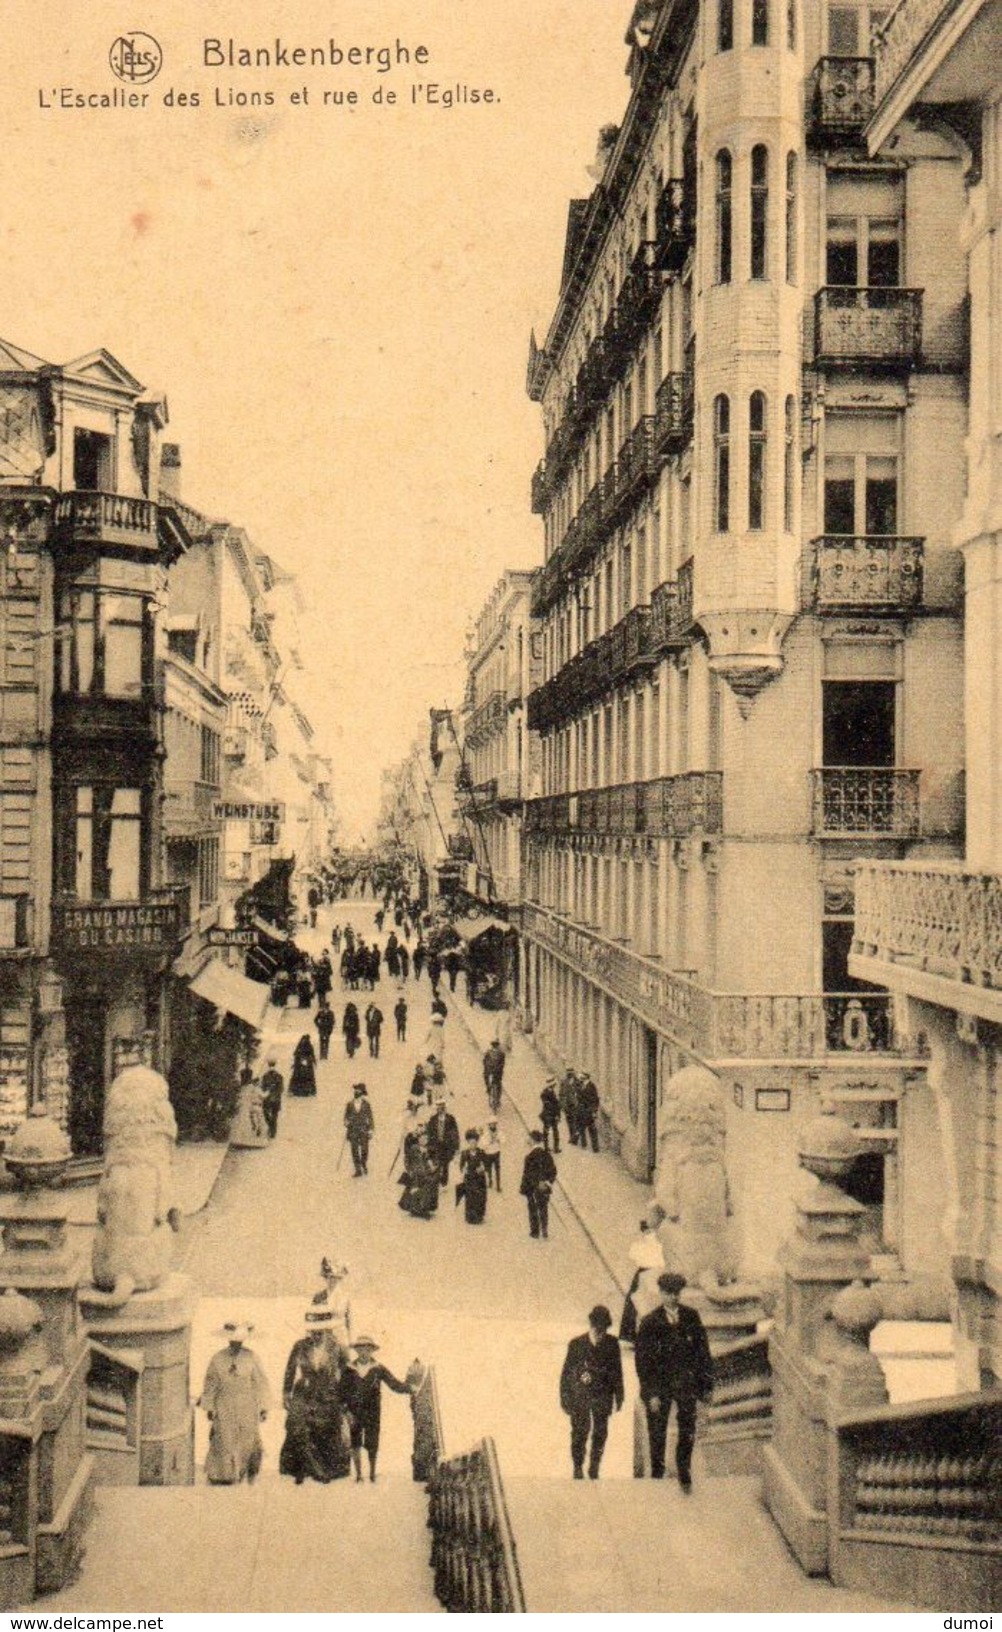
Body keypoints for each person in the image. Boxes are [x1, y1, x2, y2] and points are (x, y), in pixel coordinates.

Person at [634, 1272, 713, 1490]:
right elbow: (643, 1363)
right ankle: (657, 1471)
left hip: (685, 1384)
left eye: (676, 1293)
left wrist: (706, 1385)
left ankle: (684, 1469)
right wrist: (651, 1394)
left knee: (688, 1428)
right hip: (660, 1388)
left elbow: (702, 1353)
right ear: (661, 1294)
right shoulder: (649, 1322)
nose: (673, 1298)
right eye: (668, 1293)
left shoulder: (691, 1317)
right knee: (657, 1430)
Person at [280, 1310, 351, 1484]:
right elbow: (290, 1370)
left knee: (326, 1429)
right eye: (313, 1331)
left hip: (328, 1393)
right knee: (297, 1427)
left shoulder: (338, 1347)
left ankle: (323, 1468)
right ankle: (303, 1468)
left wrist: (345, 1398)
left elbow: (346, 1373)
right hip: (304, 1391)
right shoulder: (300, 1345)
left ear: (327, 1330)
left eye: (320, 1331)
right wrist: (286, 1393)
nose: (317, 1334)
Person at [200, 1320, 270, 1485]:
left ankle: (244, 1471)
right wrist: (210, 1406)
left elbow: (261, 1383)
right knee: (224, 1438)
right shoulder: (217, 1359)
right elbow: (211, 1384)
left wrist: (264, 1407)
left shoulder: (252, 1357)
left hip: (247, 1404)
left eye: (239, 1341)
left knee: (247, 1439)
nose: (236, 1344)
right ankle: (223, 1475)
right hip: (224, 1403)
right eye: (233, 1340)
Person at [559, 1306, 624, 1480]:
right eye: (597, 1327)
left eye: (603, 1328)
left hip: (603, 1395)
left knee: (600, 1432)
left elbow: (617, 1371)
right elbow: (566, 1373)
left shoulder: (612, 1344)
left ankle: (594, 1465)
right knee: (579, 1430)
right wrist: (565, 1397)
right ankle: (578, 1465)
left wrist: (619, 1395)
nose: (599, 1332)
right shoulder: (576, 1344)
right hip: (581, 1395)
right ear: (591, 1325)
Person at [342, 1337, 412, 1483]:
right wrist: (346, 1411)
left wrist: (410, 1388)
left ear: (372, 1351)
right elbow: (341, 1392)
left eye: (367, 1349)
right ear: (356, 1351)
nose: (364, 1352)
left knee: (372, 1441)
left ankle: (373, 1473)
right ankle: (359, 1474)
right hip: (354, 1412)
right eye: (360, 1349)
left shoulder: (378, 1368)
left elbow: (394, 1384)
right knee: (355, 1442)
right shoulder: (349, 1369)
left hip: (372, 1411)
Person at [620, 1212, 666, 1344]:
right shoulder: (655, 1240)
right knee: (640, 1301)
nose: (648, 1232)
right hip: (650, 1271)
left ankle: (634, 1334)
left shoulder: (650, 1240)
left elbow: (634, 1256)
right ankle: (637, 1335)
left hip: (649, 1271)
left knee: (638, 1301)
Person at [520, 1130, 557, 1240]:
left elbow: (527, 1175)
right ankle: (544, 1229)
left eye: (529, 1138)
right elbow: (553, 1171)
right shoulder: (546, 1155)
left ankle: (535, 1232)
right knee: (543, 1208)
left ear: (532, 1140)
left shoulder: (529, 1157)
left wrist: (525, 1188)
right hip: (544, 1187)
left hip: (532, 1188)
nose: (527, 1140)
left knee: (533, 1209)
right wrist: (547, 1182)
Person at [398, 1126, 440, 1219]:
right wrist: (409, 1170)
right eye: (422, 1138)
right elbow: (407, 1160)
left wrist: (434, 1166)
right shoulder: (413, 1148)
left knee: (428, 1187)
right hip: (416, 1174)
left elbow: (436, 1161)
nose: (424, 1140)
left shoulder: (431, 1149)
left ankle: (424, 1209)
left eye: (426, 1138)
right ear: (418, 1139)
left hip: (427, 1173)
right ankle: (415, 1209)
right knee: (415, 1189)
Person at [229, 1066, 269, 1148]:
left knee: (243, 1121)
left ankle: (240, 1139)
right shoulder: (252, 1088)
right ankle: (250, 1139)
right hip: (250, 1107)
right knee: (251, 1121)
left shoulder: (243, 1088)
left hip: (245, 1107)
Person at [426, 1095, 460, 1188]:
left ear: (445, 1107)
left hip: (447, 1146)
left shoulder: (450, 1119)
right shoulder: (433, 1119)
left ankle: (444, 1183)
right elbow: (429, 1132)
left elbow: (455, 1133)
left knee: (445, 1165)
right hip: (436, 1145)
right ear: (436, 1108)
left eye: (442, 1107)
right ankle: (437, 1182)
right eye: (438, 1107)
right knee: (437, 1163)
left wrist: (456, 1147)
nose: (440, 1109)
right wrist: (429, 1144)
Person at [457, 1128, 489, 1224]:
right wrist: (464, 1170)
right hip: (470, 1178)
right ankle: (470, 1217)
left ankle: (479, 1216)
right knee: (470, 1198)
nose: (472, 1145)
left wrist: (483, 1168)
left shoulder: (481, 1152)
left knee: (480, 1197)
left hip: (479, 1178)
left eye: (474, 1142)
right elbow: (461, 1166)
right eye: (470, 1142)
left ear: (476, 1143)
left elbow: (486, 1164)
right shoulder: (465, 1153)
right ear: (468, 1142)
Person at [344, 1083, 374, 1177]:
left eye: (358, 1090)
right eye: (355, 1090)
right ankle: (358, 1169)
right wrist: (346, 1122)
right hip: (353, 1130)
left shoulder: (367, 1104)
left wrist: (371, 1129)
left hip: (364, 1130)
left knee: (365, 1149)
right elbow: (346, 1117)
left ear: (362, 1092)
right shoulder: (349, 1104)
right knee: (354, 1150)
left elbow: (371, 1118)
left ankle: (363, 1163)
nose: (356, 1091)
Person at [260, 1055, 284, 1139]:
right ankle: (271, 1127)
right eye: (270, 1066)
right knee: (266, 1114)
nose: (271, 1068)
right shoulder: (265, 1076)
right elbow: (262, 1087)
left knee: (274, 1116)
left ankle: (273, 1131)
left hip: (275, 1099)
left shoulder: (279, 1076)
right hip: (267, 1098)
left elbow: (281, 1089)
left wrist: (274, 1095)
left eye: (272, 1066)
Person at [577, 1074, 600, 1152]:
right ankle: (584, 1144)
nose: (580, 1078)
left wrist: (594, 1111)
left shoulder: (591, 1086)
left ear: (586, 1077)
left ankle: (595, 1148)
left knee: (592, 1129)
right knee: (581, 1128)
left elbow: (595, 1100)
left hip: (589, 1111)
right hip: (581, 1110)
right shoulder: (581, 1084)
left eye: (582, 1077)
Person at [482, 1039, 506, 1113]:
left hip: (489, 1071)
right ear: (498, 1046)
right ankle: (498, 1099)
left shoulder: (488, 1052)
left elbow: (484, 1062)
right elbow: (502, 1064)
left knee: (486, 1078)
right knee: (498, 1084)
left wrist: (487, 1068)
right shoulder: (502, 1053)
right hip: (498, 1072)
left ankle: (488, 1089)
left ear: (492, 1045)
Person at [559, 1070, 581, 1147]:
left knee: (575, 1121)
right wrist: (562, 1105)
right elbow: (561, 1094)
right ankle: (571, 1136)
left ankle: (575, 1138)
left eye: (570, 1072)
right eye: (568, 1072)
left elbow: (580, 1093)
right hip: (567, 1106)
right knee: (569, 1122)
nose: (569, 1073)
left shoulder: (578, 1082)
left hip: (575, 1105)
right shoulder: (564, 1082)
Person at [540, 1078, 562, 1153]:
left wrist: (558, 1114)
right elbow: (549, 1105)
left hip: (552, 1115)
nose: (554, 1086)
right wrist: (556, 1113)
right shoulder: (545, 1093)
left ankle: (555, 1148)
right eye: (553, 1085)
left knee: (555, 1131)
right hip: (548, 1115)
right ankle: (546, 1147)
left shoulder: (551, 1092)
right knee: (547, 1131)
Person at [481, 1118, 502, 1190]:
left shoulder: (499, 1132)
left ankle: (498, 1186)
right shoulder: (486, 1133)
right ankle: (490, 1181)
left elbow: (504, 1139)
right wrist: (488, 1142)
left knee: (497, 1169)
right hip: (488, 1153)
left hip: (496, 1152)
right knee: (489, 1169)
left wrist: (499, 1140)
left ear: (496, 1124)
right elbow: (483, 1143)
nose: (492, 1125)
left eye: (494, 1124)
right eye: (491, 1124)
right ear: (489, 1125)